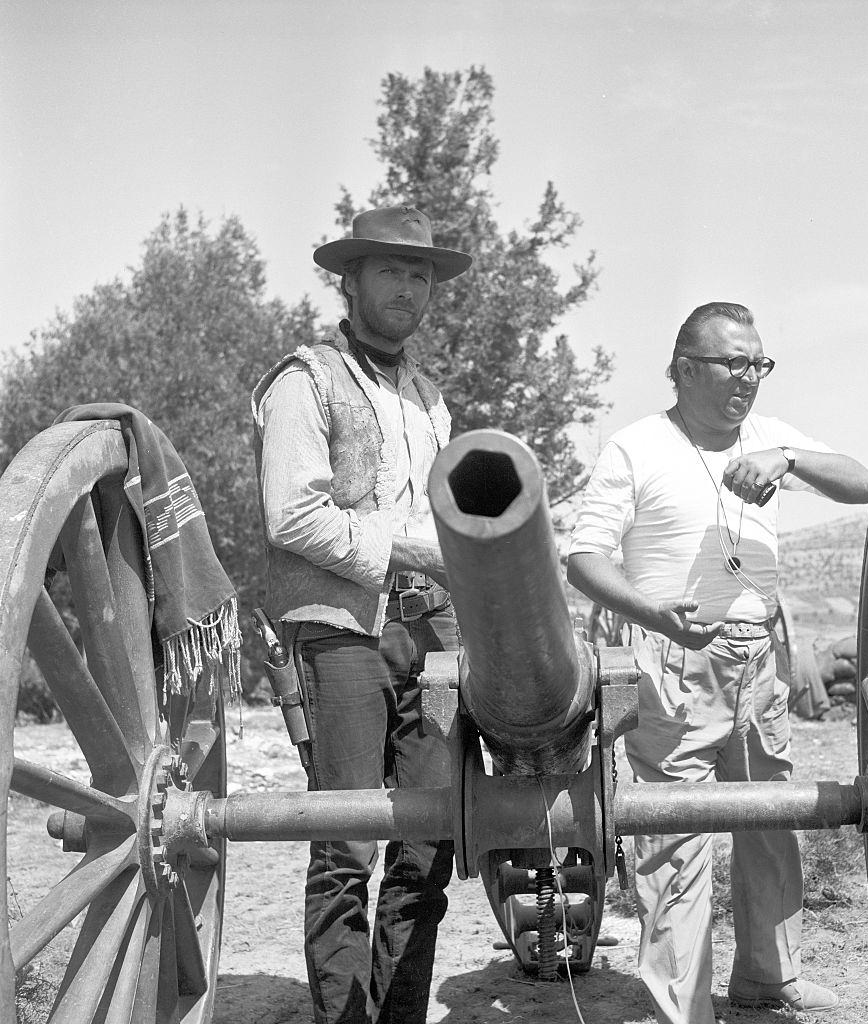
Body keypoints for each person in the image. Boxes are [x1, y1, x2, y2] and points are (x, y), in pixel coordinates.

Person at [567, 302, 868, 1024]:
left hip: (759, 662)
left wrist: (790, 459)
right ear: (684, 367)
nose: (750, 378)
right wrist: (653, 614)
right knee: (677, 835)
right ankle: (684, 1009)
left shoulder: (769, 438)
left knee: (771, 817)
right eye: (734, 363)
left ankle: (771, 976)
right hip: (673, 662)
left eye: (759, 363)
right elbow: (584, 558)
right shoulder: (635, 446)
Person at [250, 205, 472, 1024]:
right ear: (350, 282)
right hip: (343, 631)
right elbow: (293, 516)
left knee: (428, 842)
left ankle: (398, 1015)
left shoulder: (427, 395)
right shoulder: (303, 382)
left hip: (431, 635)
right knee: (346, 842)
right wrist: (412, 551)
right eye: (391, 271)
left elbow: (442, 520)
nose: (409, 288)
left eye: (420, 275)